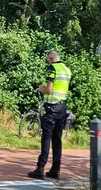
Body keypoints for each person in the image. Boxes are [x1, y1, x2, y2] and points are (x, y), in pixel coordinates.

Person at [28, 51, 71, 180]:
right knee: (57, 139)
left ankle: (40, 168)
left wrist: (41, 88)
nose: (48, 62)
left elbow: (49, 89)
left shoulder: (53, 68)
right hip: (62, 107)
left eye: (48, 60)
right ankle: (55, 169)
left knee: (46, 137)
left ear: (52, 58)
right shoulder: (67, 70)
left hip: (52, 107)